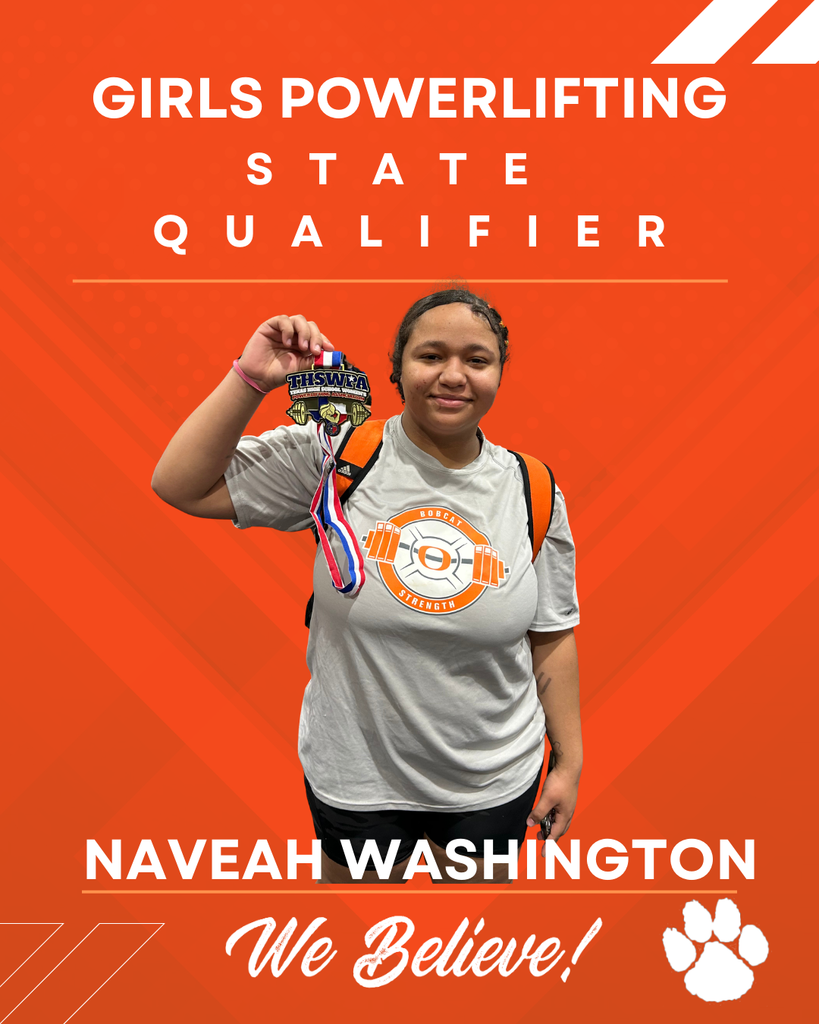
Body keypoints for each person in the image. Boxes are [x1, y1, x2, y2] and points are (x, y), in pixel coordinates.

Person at [152, 288, 582, 884]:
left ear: (500, 373)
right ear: (397, 369)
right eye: (430, 356)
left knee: (472, 952)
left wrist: (570, 760)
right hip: (358, 775)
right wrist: (251, 378)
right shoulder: (337, 457)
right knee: (355, 941)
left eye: (477, 360)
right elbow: (180, 484)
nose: (453, 376)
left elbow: (552, 632)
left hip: (493, 774)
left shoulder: (532, 486)